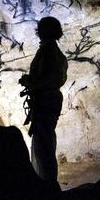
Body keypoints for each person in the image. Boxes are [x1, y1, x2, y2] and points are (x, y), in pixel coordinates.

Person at [19, 16, 68, 189]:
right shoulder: (55, 52)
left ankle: (48, 187)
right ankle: (47, 183)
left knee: (43, 146)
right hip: (50, 102)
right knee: (46, 142)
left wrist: (29, 82)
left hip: (44, 103)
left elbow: (48, 79)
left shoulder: (47, 52)